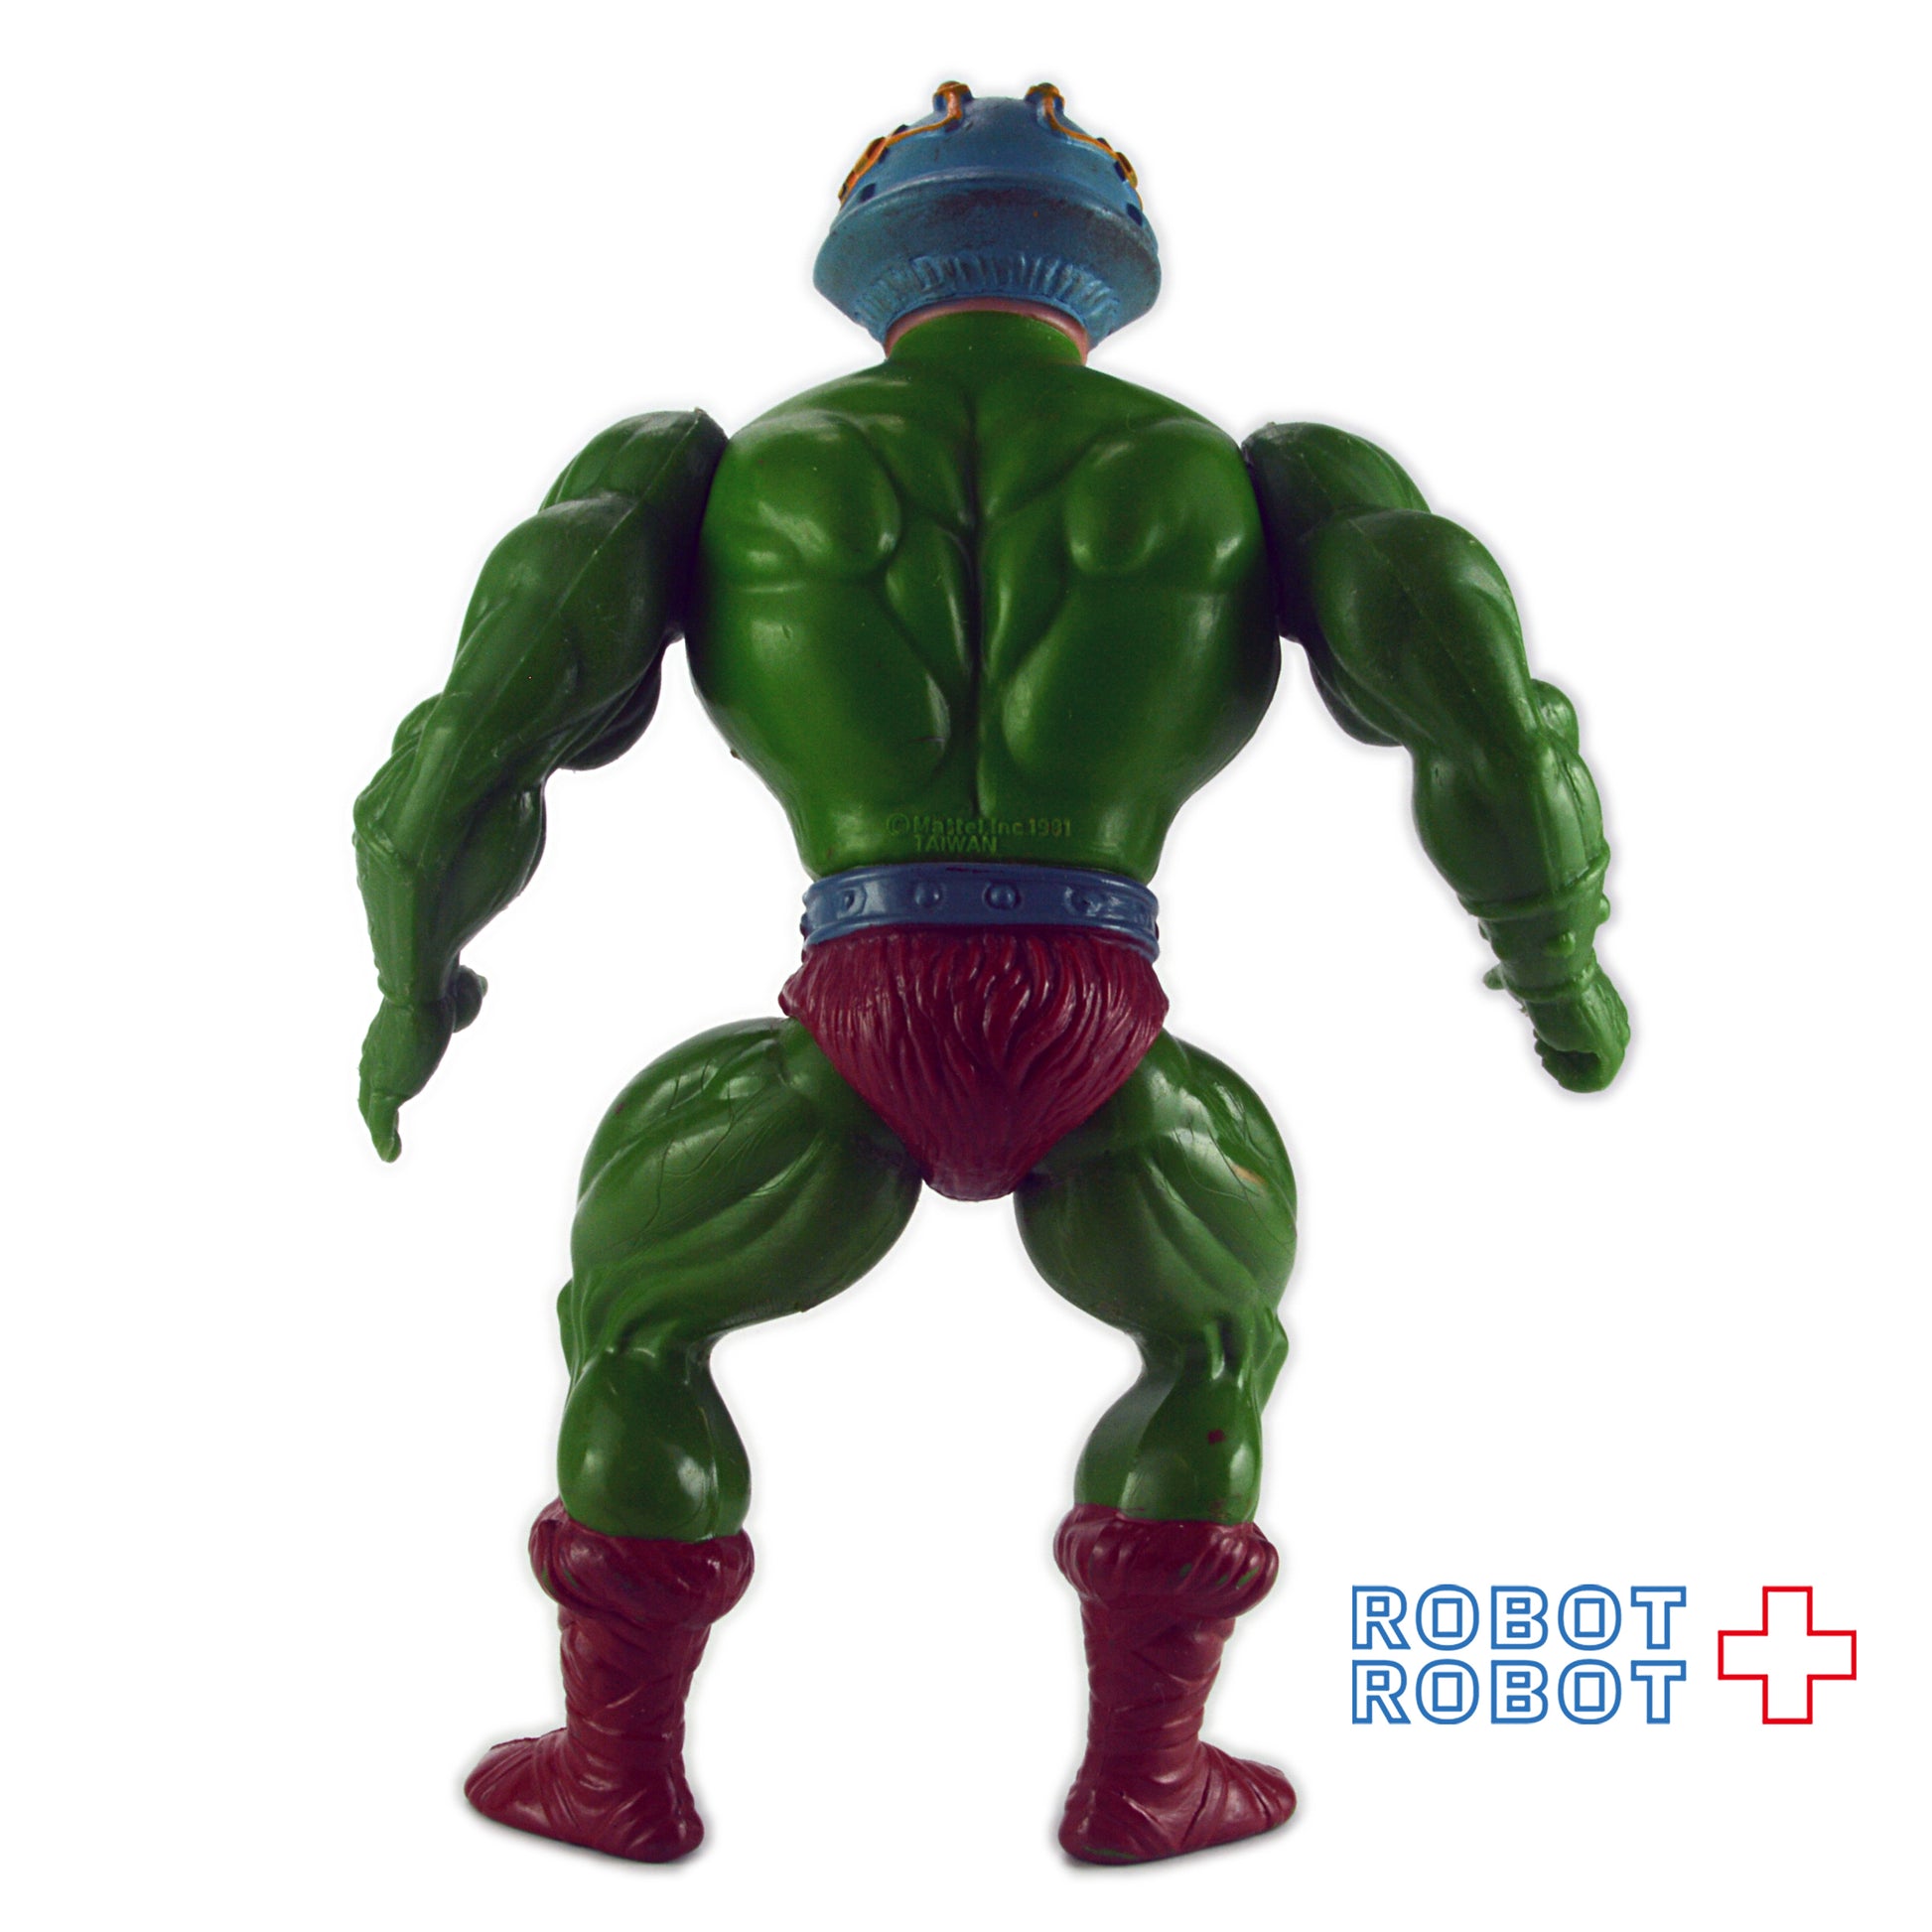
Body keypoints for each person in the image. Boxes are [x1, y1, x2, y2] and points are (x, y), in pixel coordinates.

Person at [353, 81, 1627, 1866]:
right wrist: (1561, 982)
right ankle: (1149, 1778)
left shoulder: (722, 472)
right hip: (1102, 1022)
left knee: (640, 1327)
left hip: (844, 1013)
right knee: (1210, 1343)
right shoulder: (1245, 477)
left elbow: (461, 756)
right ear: (1109, 255)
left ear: (868, 246)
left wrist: (415, 989)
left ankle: (611, 1770)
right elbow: (1488, 722)